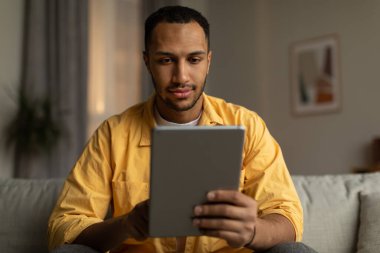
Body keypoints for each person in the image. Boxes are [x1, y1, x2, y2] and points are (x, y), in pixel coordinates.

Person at [48, 5, 317, 253]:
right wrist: (127, 224)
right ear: (147, 61)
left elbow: (288, 220)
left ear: (208, 61)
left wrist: (251, 230)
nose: (181, 77)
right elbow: (64, 226)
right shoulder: (112, 134)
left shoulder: (248, 125)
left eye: (194, 60)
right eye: (166, 60)